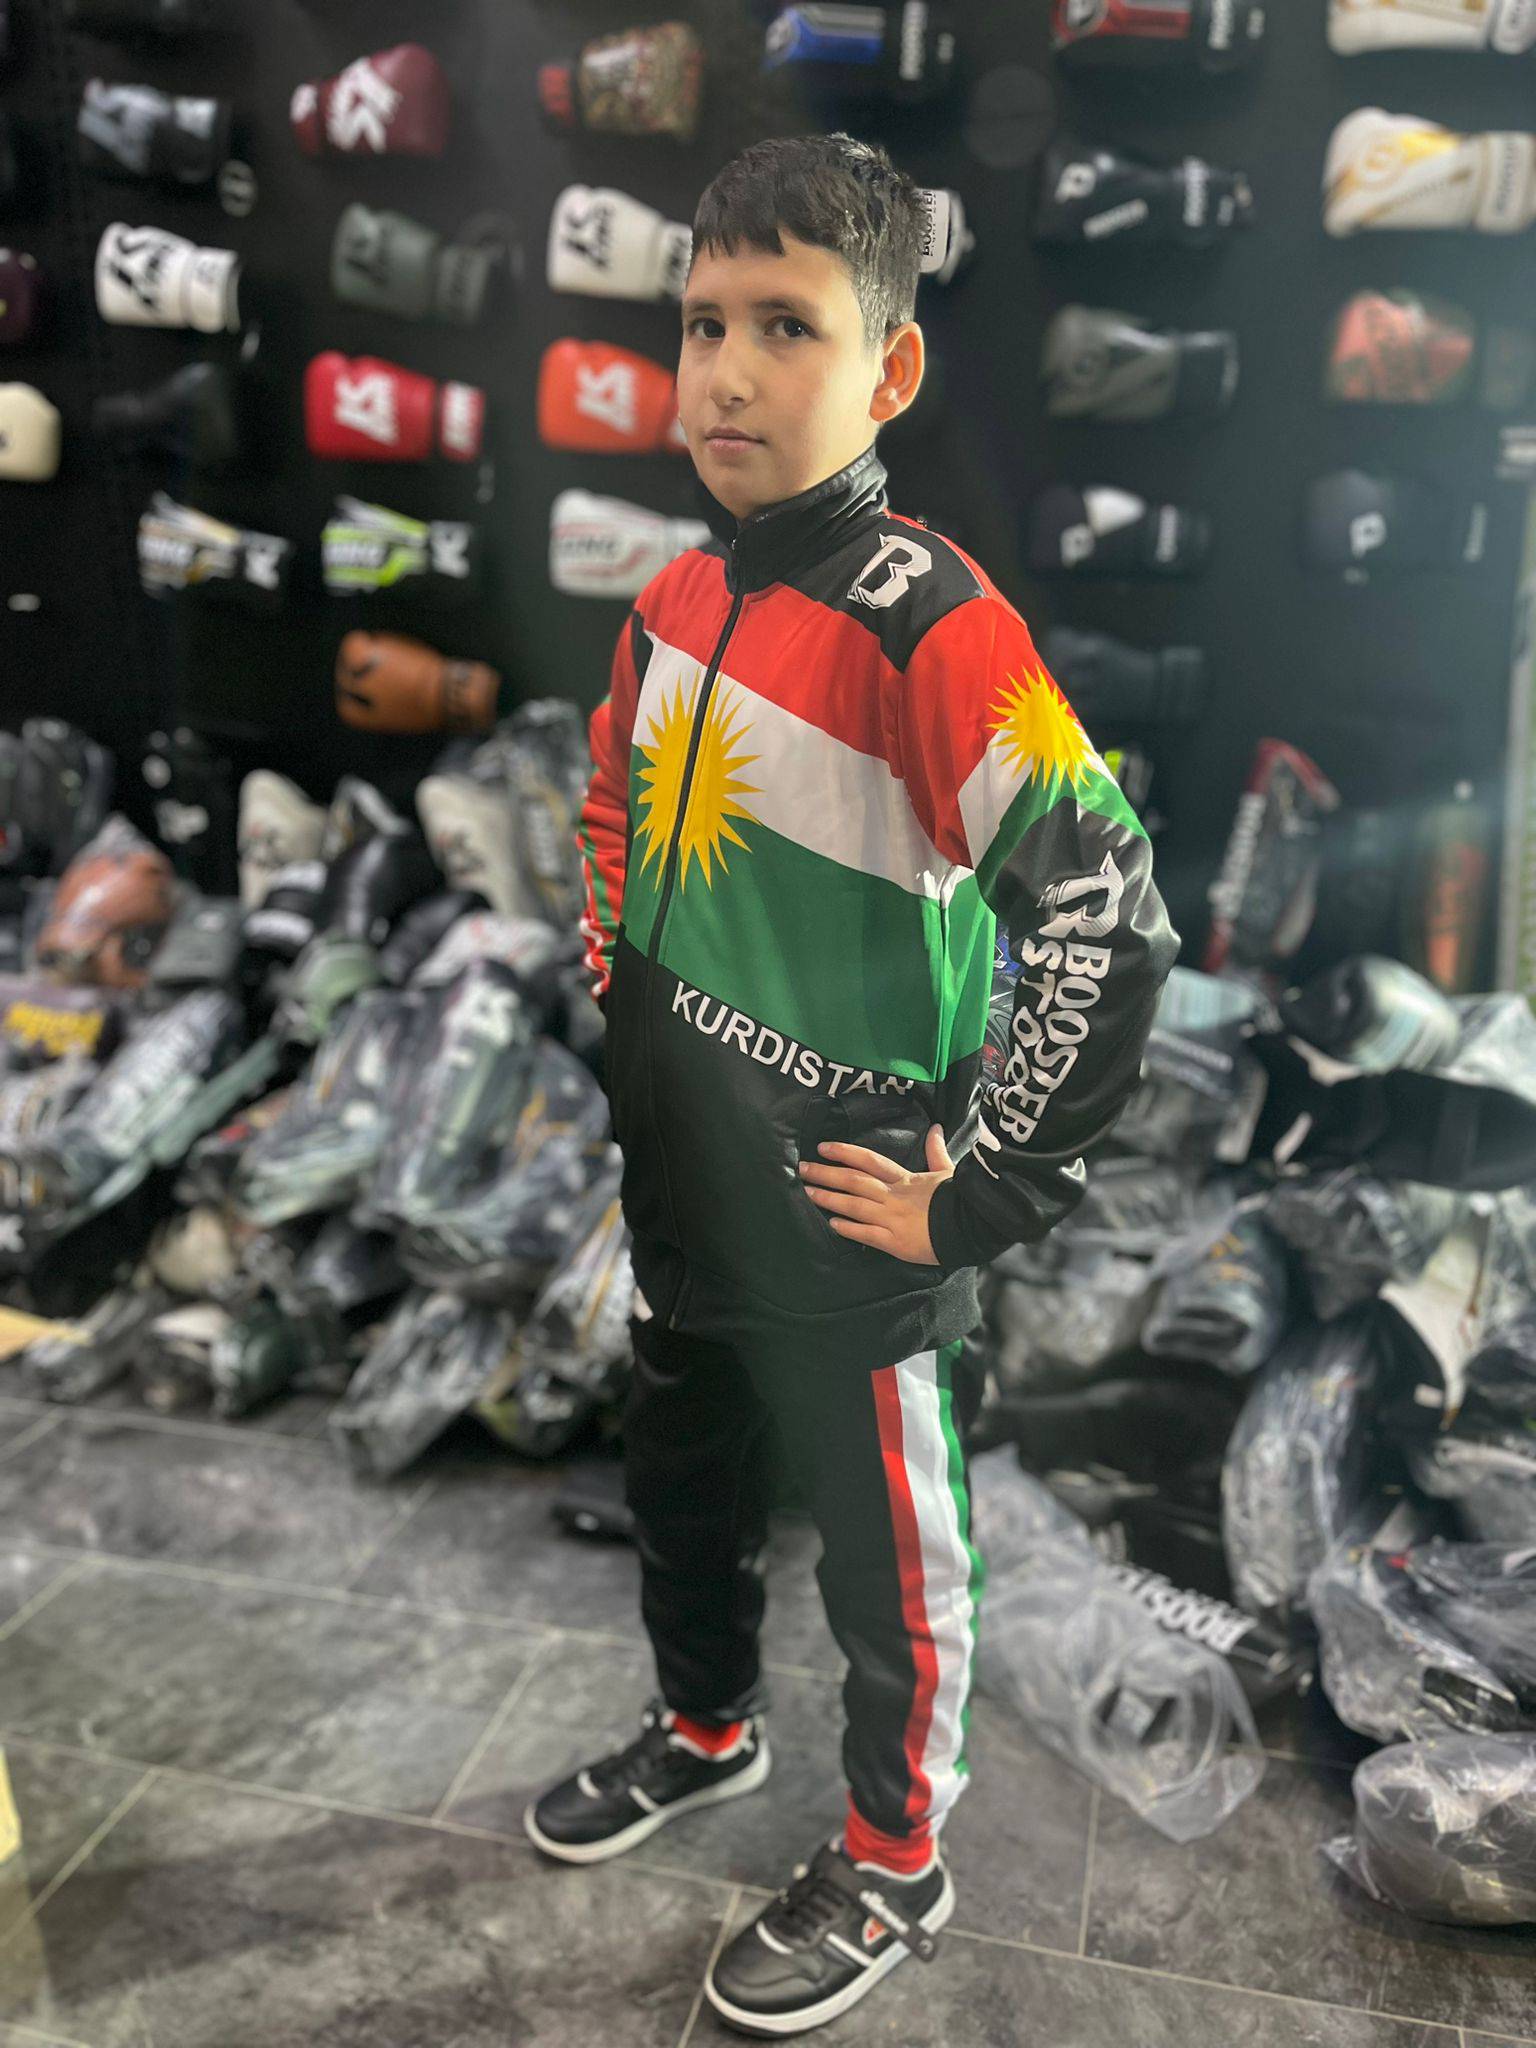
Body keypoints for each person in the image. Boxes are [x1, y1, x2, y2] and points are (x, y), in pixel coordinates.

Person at [526, 132, 1178, 2037]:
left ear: (890, 369)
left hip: (852, 1221)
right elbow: (610, 803)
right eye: (701, 324)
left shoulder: (937, 625)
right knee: (683, 1495)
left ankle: (898, 1858)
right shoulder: (673, 599)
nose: (725, 372)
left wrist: (976, 1194)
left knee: (894, 1567)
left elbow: (1106, 913)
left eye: (785, 327)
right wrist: (618, 986)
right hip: (684, 1194)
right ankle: (705, 1730)